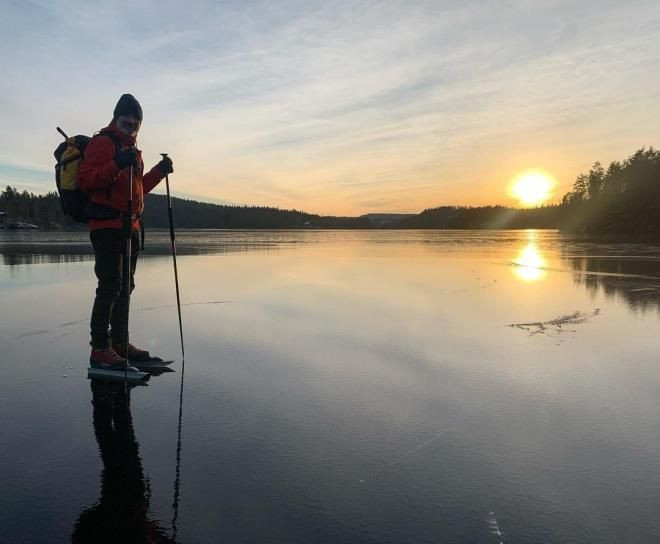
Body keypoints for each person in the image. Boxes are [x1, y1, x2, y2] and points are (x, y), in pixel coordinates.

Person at [78, 94, 173, 369]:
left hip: (129, 227)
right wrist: (117, 163)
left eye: (135, 123)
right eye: (126, 121)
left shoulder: (133, 151)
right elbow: (86, 181)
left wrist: (158, 171)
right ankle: (100, 349)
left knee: (125, 287)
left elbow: (137, 189)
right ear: (115, 119)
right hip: (106, 227)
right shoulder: (103, 143)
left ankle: (119, 343)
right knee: (109, 286)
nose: (131, 126)